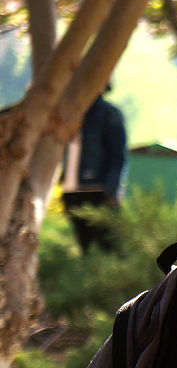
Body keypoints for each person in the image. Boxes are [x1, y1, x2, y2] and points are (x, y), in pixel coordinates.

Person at [61, 85, 127, 251]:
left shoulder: (108, 114)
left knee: (107, 247)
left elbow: (118, 155)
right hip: (71, 190)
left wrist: (111, 191)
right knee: (84, 248)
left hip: (98, 190)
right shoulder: (66, 113)